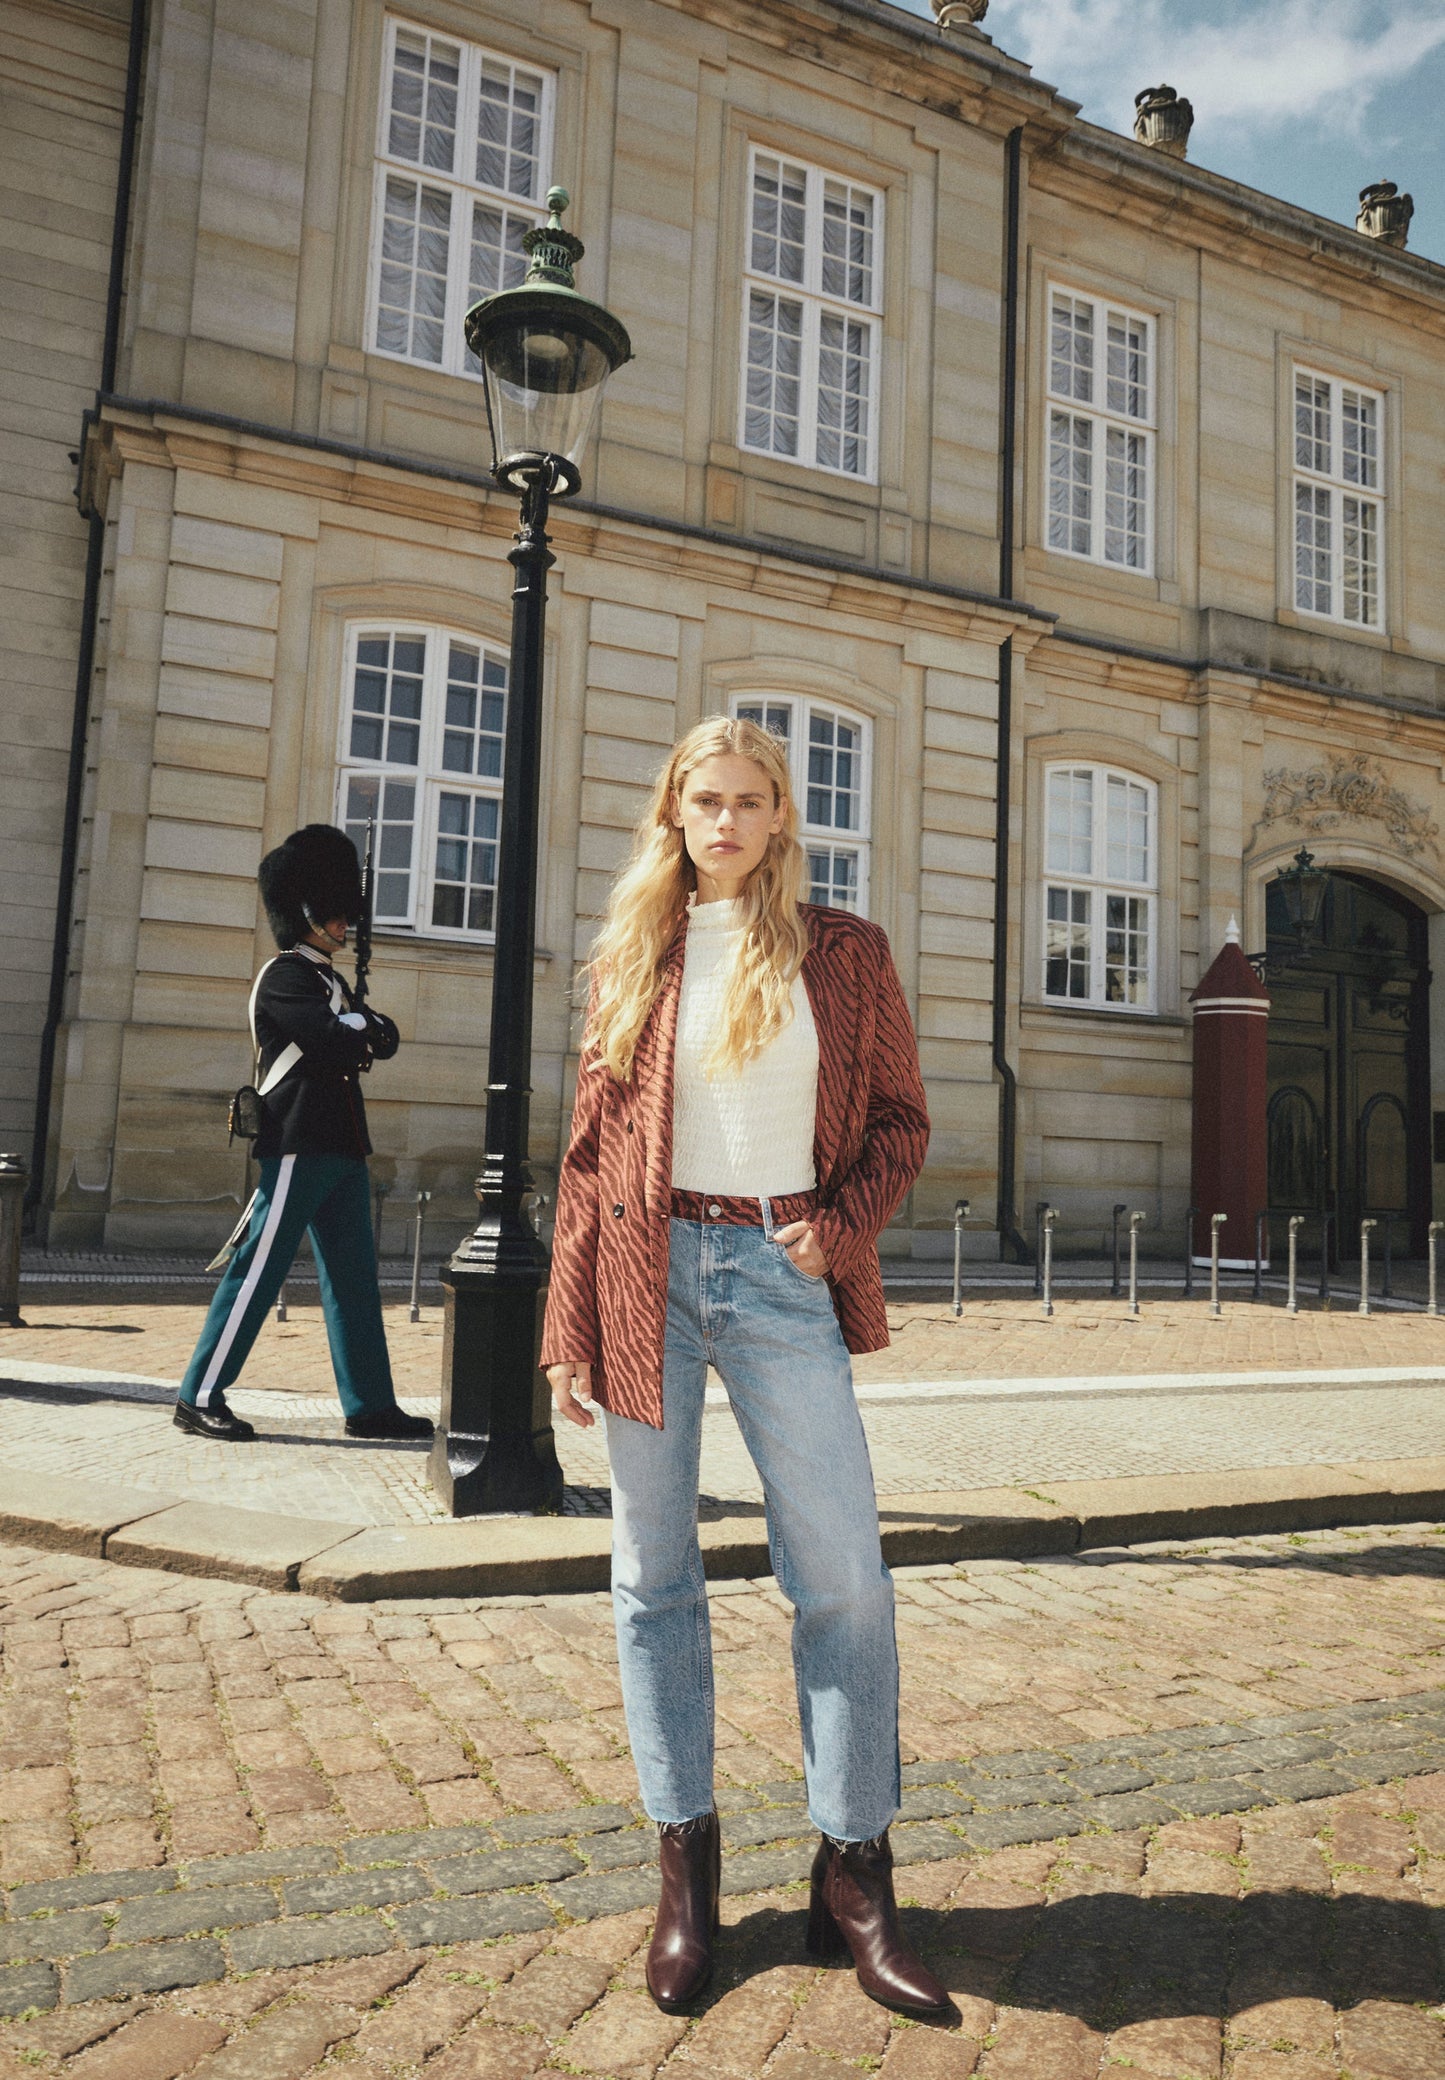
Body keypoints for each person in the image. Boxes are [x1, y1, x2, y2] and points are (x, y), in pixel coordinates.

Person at [541, 717, 954, 2021]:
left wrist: (835, 1235)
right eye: (702, 800)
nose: (723, 821)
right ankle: (686, 1877)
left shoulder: (845, 954)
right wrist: (567, 1332)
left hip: (781, 1278)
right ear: (673, 814)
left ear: (783, 815)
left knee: (844, 1577)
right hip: (641, 1275)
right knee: (651, 1582)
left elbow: (898, 1120)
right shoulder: (634, 954)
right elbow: (587, 1155)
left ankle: (854, 1872)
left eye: (748, 800)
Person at [172, 824, 432, 1446]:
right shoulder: (286, 975)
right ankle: (198, 1393)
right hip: (297, 1141)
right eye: (336, 914)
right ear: (308, 911)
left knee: (353, 1282)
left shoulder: (331, 982)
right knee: (258, 1268)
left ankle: (369, 1404)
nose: (346, 924)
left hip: (341, 1144)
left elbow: (380, 1036)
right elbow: (334, 1040)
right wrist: (360, 1028)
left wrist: (361, 1026)